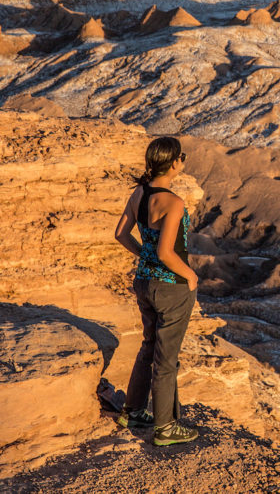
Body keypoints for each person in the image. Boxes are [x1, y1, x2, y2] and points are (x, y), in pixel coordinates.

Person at [113, 136, 200, 446]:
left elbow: (121, 234)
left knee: (148, 348)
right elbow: (166, 253)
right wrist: (190, 275)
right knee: (166, 359)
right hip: (170, 289)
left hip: (144, 284)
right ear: (174, 163)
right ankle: (165, 428)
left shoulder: (140, 193)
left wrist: (142, 256)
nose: (183, 161)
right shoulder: (174, 203)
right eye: (182, 157)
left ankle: (133, 411)